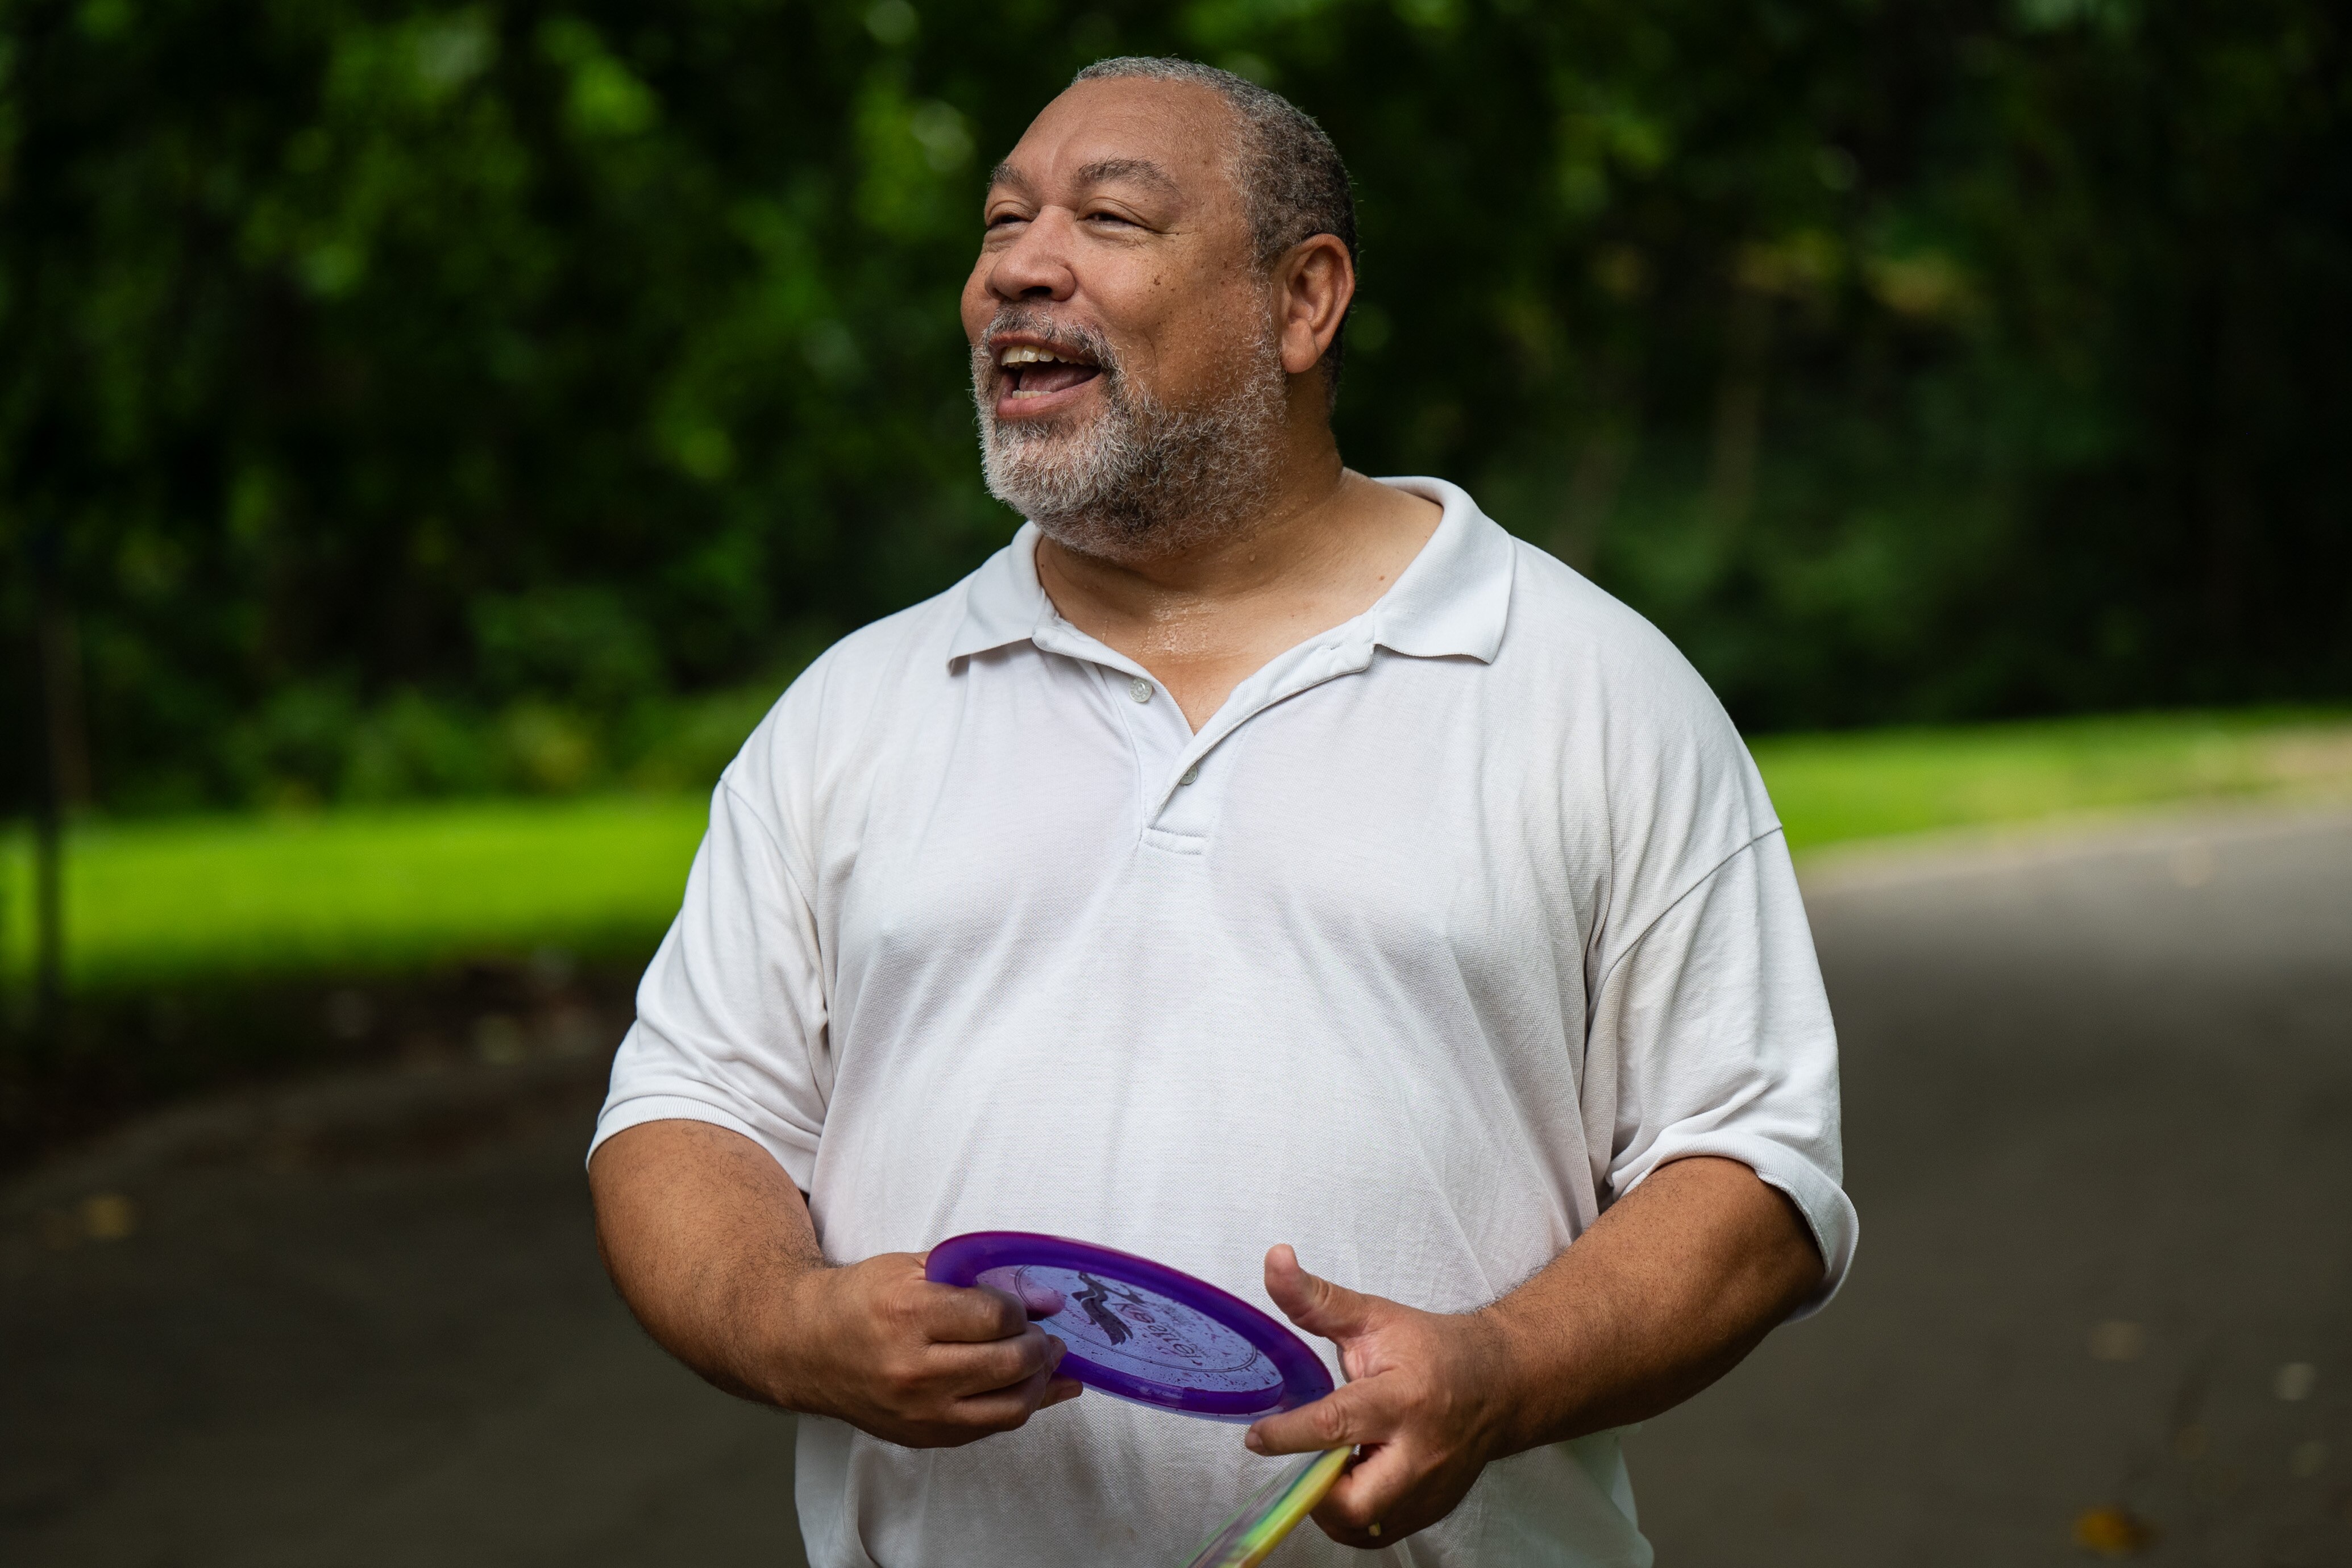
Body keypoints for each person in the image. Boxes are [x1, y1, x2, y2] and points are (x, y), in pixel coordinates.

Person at [588, 56, 1855, 1568]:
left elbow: (1751, 1170)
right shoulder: (857, 711)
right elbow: (686, 1115)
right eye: (998, 225)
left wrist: (1503, 1372)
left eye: (1107, 219)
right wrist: (787, 1320)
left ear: (1301, 300)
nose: (1016, 269)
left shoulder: (1581, 684)